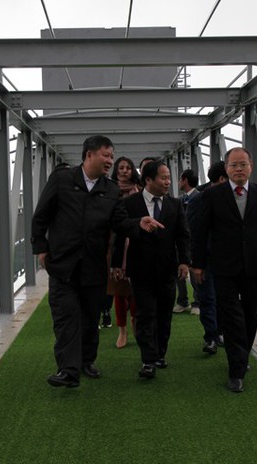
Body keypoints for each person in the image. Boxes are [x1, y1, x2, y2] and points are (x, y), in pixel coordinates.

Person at [31, 135, 163, 388]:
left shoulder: (111, 190)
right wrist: (41, 248)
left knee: (90, 317)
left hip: (93, 265)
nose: (110, 161)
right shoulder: (61, 180)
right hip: (63, 264)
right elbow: (40, 217)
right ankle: (68, 370)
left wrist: (138, 223)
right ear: (89, 154)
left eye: (112, 156)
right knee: (66, 317)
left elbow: (120, 222)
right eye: (106, 155)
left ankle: (86, 361)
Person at [192, 147, 257, 393]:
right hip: (224, 267)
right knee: (232, 318)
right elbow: (200, 231)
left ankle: (242, 355)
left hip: (253, 265)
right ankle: (236, 370)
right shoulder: (213, 195)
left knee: (251, 313)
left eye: (243, 164)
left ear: (251, 166)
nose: (239, 169)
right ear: (226, 169)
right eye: (234, 165)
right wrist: (198, 264)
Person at [112, 160, 190, 379]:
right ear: (148, 179)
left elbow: (183, 235)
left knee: (164, 315)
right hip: (140, 269)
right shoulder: (130, 203)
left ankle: (159, 354)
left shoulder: (174, 204)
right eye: (163, 178)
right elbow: (120, 234)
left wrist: (184, 261)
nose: (168, 182)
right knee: (145, 314)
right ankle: (148, 359)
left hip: (167, 270)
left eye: (169, 178)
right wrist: (117, 263)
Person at [186, 161, 227, 354]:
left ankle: (218, 333)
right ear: (221, 179)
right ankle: (211, 336)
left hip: (226, 259)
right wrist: (194, 262)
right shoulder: (199, 199)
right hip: (206, 259)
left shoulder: (231, 197)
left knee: (223, 298)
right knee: (208, 297)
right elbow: (192, 232)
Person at [108, 156, 142, 348]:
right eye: (120, 168)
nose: (123, 171)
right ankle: (122, 330)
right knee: (119, 290)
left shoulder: (140, 190)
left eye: (127, 168)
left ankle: (135, 321)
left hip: (137, 242)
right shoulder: (110, 190)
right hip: (115, 244)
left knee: (136, 288)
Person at [173, 169, 200, 315]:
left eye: (180, 180)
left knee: (194, 272)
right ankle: (182, 301)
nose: (178, 183)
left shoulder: (200, 198)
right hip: (181, 242)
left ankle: (197, 302)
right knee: (180, 271)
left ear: (185, 180)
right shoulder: (180, 200)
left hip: (194, 242)